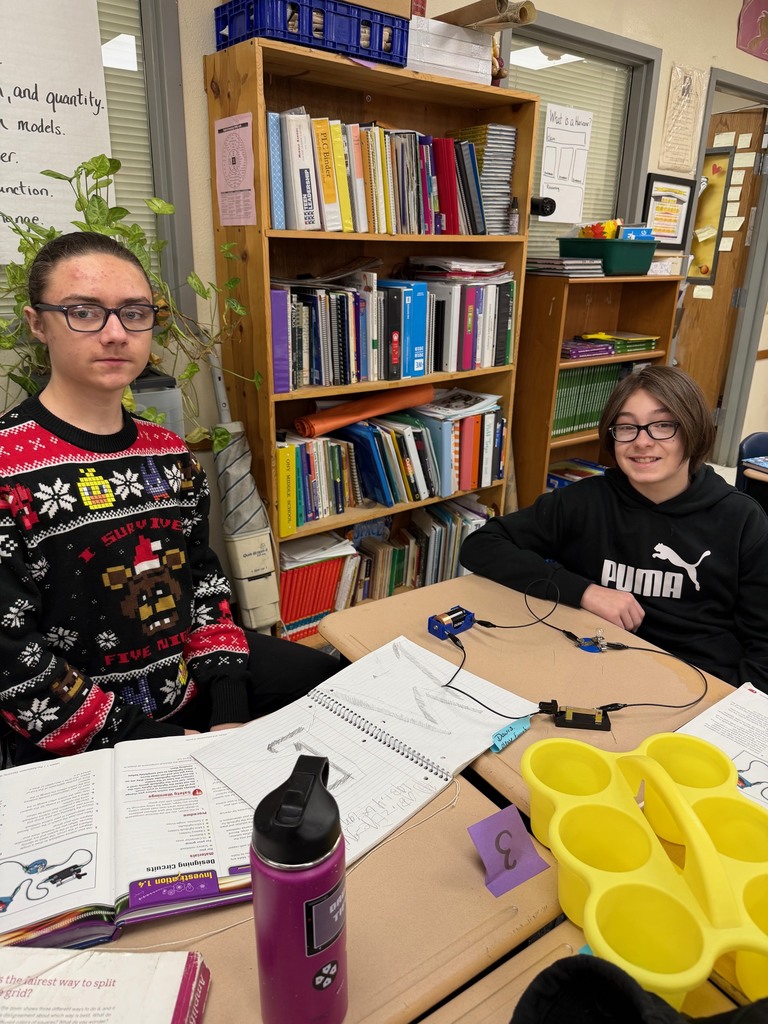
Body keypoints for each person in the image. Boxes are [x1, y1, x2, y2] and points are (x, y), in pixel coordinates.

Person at [0, 231, 339, 762]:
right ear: (37, 323)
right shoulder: (7, 467)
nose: (115, 333)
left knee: (335, 682)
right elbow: (11, 658)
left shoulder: (170, 454)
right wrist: (158, 744)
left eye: (134, 312)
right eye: (84, 312)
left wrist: (229, 709)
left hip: (186, 690)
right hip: (83, 734)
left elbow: (203, 584)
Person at [460, 365, 768, 691]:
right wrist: (584, 592)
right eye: (626, 428)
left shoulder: (742, 519)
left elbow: (763, 644)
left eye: (662, 425)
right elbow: (481, 545)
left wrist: (735, 709)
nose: (642, 441)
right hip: (594, 668)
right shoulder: (583, 501)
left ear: (692, 430)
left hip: (698, 683)